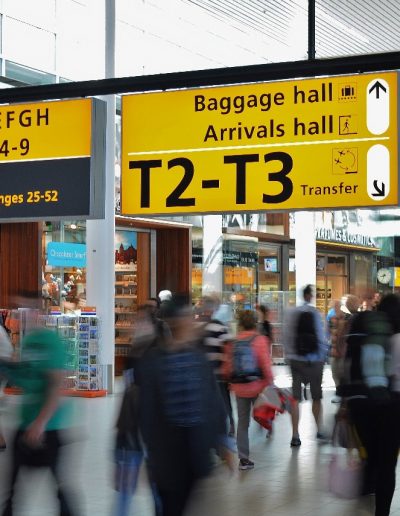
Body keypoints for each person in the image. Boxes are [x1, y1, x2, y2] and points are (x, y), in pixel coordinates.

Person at [137, 296, 235, 516]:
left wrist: (223, 443)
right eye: (189, 316)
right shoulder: (153, 361)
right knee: (170, 506)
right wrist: (147, 456)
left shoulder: (197, 358)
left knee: (181, 504)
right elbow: (146, 412)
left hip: (195, 452)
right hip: (168, 455)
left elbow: (212, 401)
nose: (193, 321)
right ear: (177, 321)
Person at [0, 292, 80, 516]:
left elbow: (55, 386)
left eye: (27, 310)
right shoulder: (28, 341)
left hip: (49, 426)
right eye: (20, 310)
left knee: (59, 487)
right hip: (27, 422)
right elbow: (28, 378)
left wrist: (40, 423)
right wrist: (8, 369)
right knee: (13, 487)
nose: (22, 315)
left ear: (39, 313)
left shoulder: (51, 342)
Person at [338, 294, 400, 516]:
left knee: (372, 455)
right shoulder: (396, 338)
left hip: (362, 402)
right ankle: (381, 511)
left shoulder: (367, 332)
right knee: (387, 464)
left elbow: (346, 364)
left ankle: (366, 487)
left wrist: (345, 402)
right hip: (393, 405)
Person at [223, 309, 273, 470]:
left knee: (242, 423)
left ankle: (244, 459)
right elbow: (265, 364)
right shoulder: (260, 340)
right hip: (258, 386)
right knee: (262, 412)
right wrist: (270, 382)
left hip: (239, 388)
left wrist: (230, 382)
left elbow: (227, 368)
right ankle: (267, 426)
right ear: (255, 323)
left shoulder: (233, 342)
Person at [282, 284, 328, 447]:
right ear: (310, 296)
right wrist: (322, 357)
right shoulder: (315, 313)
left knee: (295, 399)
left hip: (296, 361)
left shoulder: (291, 313)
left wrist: (289, 356)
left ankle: (295, 435)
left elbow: (286, 336)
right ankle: (319, 430)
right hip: (314, 361)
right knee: (316, 397)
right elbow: (321, 337)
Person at [196, 296, 235, 436]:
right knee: (224, 400)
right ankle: (230, 425)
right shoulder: (220, 327)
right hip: (218, 372)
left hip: (204, 374)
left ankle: (211, 427)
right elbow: (228, 348)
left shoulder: (196, 327)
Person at [329, 294, 359, 401]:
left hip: (345, 352)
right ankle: (341, 395)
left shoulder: (350, 318)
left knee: (342, 375)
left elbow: (343, 336)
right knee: (338, 374)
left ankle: (343, 397)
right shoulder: (337, 317)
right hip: (340, 351)